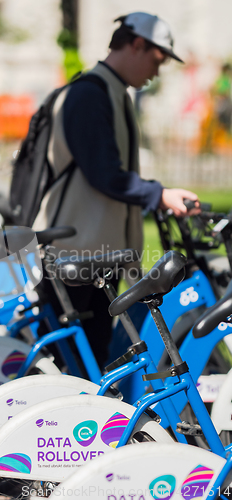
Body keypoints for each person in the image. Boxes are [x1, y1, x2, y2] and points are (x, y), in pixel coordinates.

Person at [33, 12, 200, 369]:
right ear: (136, 45)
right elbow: (106, 175)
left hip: (91, 251)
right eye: (157, 60)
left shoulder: (108, 91)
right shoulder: (90, 94)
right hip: (75, 253)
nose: (157, 72)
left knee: (89, 356)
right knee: (78, 362)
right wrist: (159, 194)